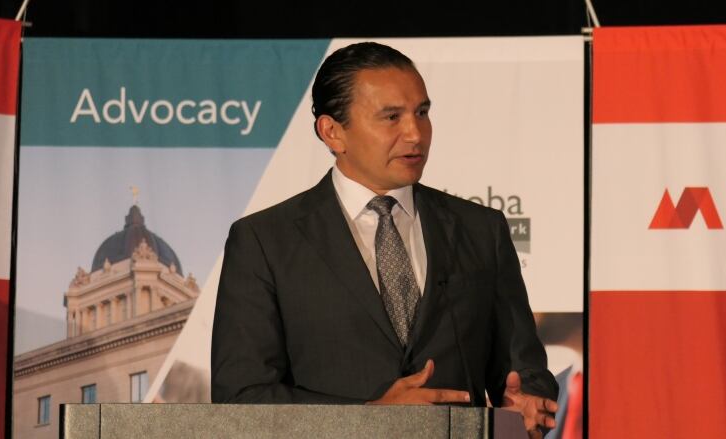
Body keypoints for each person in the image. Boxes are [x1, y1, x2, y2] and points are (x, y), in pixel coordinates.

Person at [211, 41, 558, 436]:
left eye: (422, 113)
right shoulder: (264, 241)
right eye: (391, 117)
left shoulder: (481, 230)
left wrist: (528, 401)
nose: (415, 133)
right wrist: (368, 416)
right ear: (333, 132)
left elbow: (523, 368)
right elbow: (241, 399)